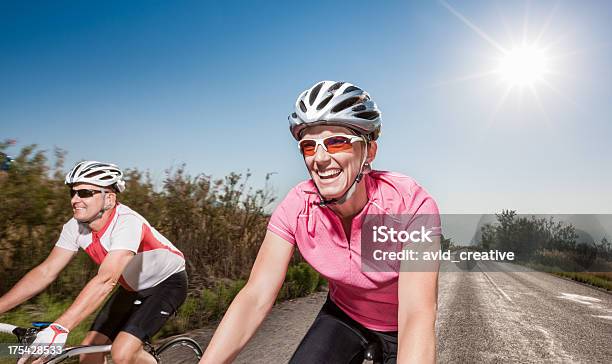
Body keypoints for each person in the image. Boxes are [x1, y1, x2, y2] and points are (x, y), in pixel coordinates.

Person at [200, 81, 441, 364]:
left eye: (337, 142)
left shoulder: (411, 204)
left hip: (399, 327)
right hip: (343, 316)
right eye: (309, 147)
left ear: (369, 152)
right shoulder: (297, 206)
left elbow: (417, 313)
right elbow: (256, 295)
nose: (322, 159)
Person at [0, 161, 187, 364]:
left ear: (109, 198)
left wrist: (60, 327)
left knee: (122, 353)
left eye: (85, 193)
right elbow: (46, 272)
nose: (75, 199)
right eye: (72, 192)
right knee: (88, 354)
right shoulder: (74, 227)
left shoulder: (128, 222)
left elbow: (106, 280)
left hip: (167, 284)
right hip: (131, 287)